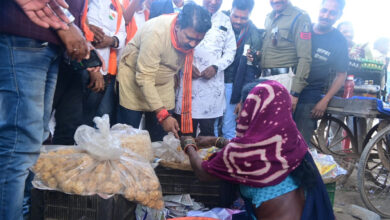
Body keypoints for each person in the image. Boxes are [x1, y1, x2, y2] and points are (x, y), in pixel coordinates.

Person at [181, 80, 335, 220]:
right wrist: (217, 141)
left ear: (251, 108)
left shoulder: (242, 155)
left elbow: (203, 172)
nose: (237, 114)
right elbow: (257, 149)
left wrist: (189, 146)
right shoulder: (291, 139)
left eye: (242, 107)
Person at [0, 0, 90, 219]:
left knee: (35, 140)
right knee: (18, 147)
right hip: (26, 33)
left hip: (49, 41)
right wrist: (66, 24)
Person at [116, 3, 212, 141]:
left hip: (164, 83)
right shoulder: (156, 33)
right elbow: (145, 77)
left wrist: (165, 116)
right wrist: (163, 115)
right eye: (189, 38)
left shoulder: (188, 33)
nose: (193, 44)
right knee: (127, 138)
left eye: (198, 40)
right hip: (135, 80)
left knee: (161, 138)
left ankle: (157, 162)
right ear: (178, 26)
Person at [175, 0, 236, 137]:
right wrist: (186, 65)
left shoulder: (225, 20)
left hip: (212, 90)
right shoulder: (189, 14)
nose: (213, 2)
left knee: (208, 136)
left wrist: (216, 67)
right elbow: (176, 46)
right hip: (187, 86)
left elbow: (231, 51)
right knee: (184, 135)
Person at [293, 0, 348, 146]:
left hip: (310, 96)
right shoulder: (304, 29)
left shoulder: (339, 41)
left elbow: (341, 75)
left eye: (332, 13)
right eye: (324, 10)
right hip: (288, 89)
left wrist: (324, 101)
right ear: (319, 9)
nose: (326, 15)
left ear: (339, 15)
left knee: (300, 144)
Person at [215, 0, 263, 139]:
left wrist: (242, 97)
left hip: (233, 84)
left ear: (250, 15)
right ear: (231, 10)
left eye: (243, 18)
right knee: (210, 122)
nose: (238, 21)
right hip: (213, 79)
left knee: (229, 126)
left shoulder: (253, 34)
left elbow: (250, 70)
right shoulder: (219, 21)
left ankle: (226, 156)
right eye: (235, 16)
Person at [259, 0, 312, 111]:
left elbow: (305, 57)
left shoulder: (300, 17)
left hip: (283, 80)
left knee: (277, 126)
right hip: (264, 78)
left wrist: (295, 92)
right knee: (262, 126)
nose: (275, 1)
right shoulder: (269, 17)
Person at [85, 0, 127, 126]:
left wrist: (111, 40)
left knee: (103, 118)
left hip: (107, 71)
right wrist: (92, 66)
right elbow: (79, 30)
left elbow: (122, 33)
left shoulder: (116, 5)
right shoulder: (84, 3)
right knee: (80, 118)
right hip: (84, 66)